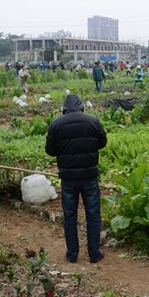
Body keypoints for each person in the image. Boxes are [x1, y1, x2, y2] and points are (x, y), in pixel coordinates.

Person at [46, 94, 107, 264]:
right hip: (89, 176)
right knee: (93, 214)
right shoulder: (93, 121)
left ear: (64, 108)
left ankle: (72, 254)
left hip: (68, 178)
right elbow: (102, 143)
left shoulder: (56, 124)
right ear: (81, 107)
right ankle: (94, 253)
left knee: (70, 215)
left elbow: (50, 151)